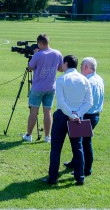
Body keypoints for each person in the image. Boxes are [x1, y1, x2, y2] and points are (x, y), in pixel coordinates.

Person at [43, 55, 93, 185]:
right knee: (78, 148)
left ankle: (53, 177)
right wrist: (77, 114)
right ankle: (80, 177)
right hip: (78, 117)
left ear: (66, 64)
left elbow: (61, 101)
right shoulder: (84, 80)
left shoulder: (62, 79)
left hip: (62, 116)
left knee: (56, 148)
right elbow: (89, 102)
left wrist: (70, 114)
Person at [64, 57, 104, 176]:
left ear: (86, 67)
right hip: (94, 114)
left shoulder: (87, 82)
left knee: (84, 143)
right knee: (80, 141)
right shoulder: (99, 79)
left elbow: (83, 101)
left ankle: (86, 169)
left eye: (81, 66)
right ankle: (76, 162)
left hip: (87, 115)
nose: (80, 68)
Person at [22, 34, 63, 143]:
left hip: (38, 88)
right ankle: (47, 137)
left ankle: (29, 135)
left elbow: (30, 67)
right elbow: (60, 68)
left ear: (40, 43)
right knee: (48, 112)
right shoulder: (57, 53)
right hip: (50, 87)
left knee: (33, 111)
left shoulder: (38, 55)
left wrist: (35, 54)